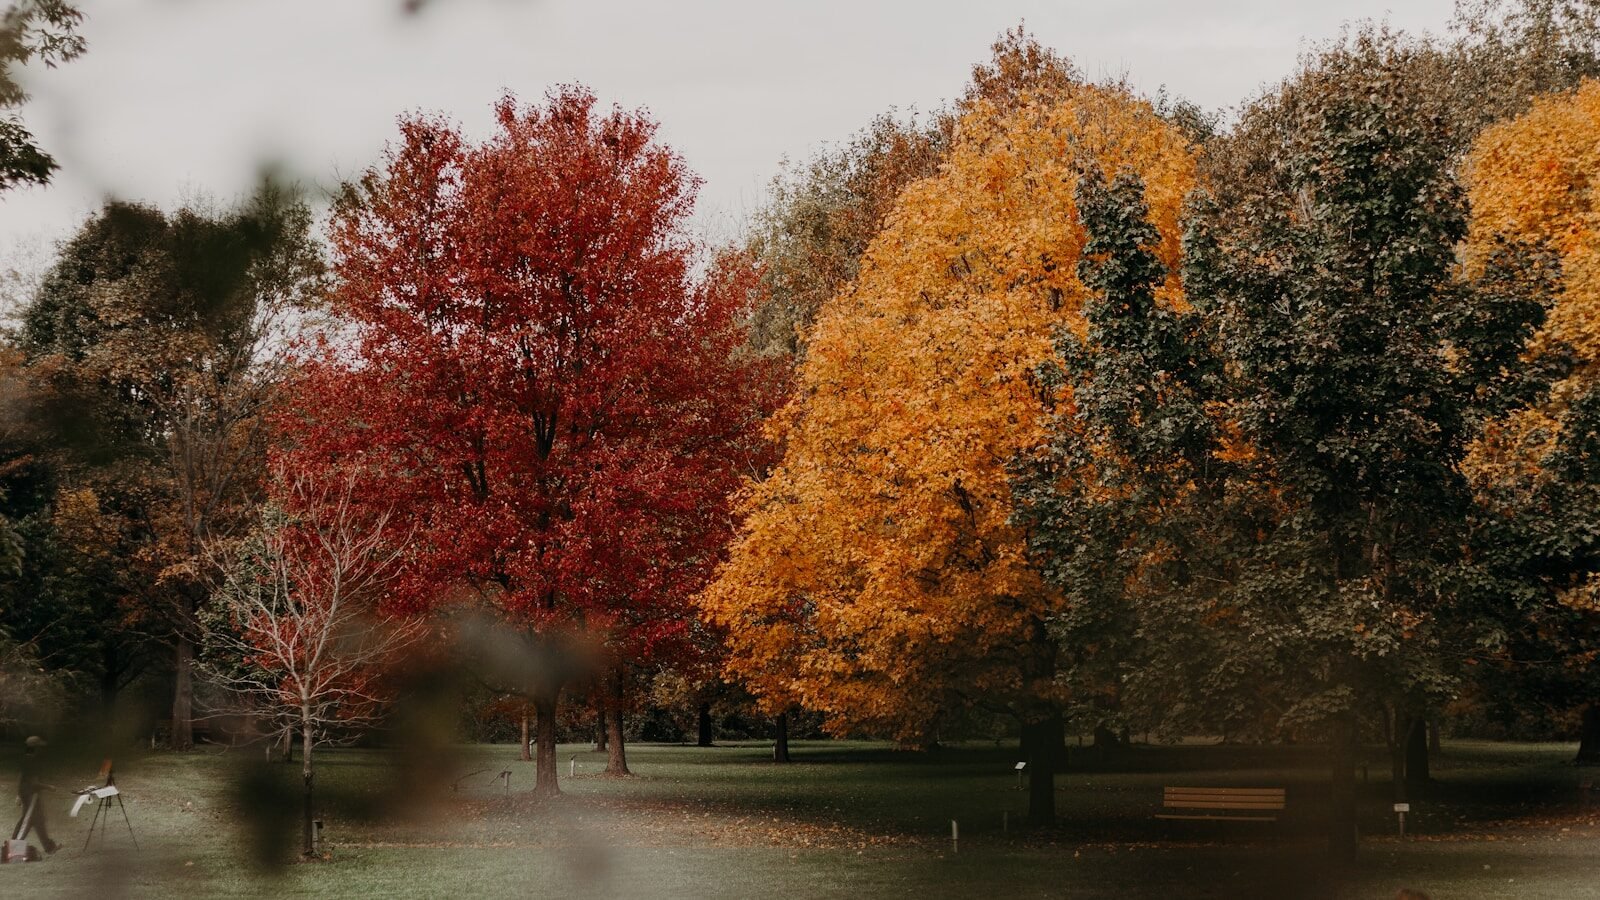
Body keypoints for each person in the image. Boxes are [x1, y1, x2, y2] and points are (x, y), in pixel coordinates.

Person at [13, 735, 59, 854]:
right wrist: (49, 787)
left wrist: (18, 794)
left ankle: (49, 847)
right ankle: (12, 849)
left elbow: (21, 777)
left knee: (39, 820)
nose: (41, 750)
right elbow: (34, 783)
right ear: (35, 748)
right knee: (26, 821)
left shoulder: (25, 759)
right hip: (31, 795)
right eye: (39, 747)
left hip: (27, 793)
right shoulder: (32, 761)